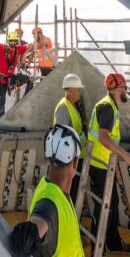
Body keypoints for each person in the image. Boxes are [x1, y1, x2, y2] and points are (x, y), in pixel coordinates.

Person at [8, 124, 96, 257]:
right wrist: (30, 231)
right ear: (75, 164)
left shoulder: (50, 190)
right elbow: (41, 219)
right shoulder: (50, 203)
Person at [87, 72, 130, 257]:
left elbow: (111, 142)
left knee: (112, 205)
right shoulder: (107, 107)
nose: (125, 92)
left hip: (105, 163)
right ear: (116, 90)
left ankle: (114, 243)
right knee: (102, 210)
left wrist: (115, 165)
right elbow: (105, 139)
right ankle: (97, 255)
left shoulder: (111, 106)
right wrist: (125, 156)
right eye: (123, 88)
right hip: (98, 164)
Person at [0, 29, 33, 117]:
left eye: (14, 41)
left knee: (28, 81)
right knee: (1, 103)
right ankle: (0, 120)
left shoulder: (18, 48)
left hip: (11, 78)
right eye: (10, 41)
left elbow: (31, 45)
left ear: (16, 42)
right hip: (1, 80)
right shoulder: (1, 47)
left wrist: (25, 53)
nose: (12, 43)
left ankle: (23, 103)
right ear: (8, 41)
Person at [54, 73, 86, 202]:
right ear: (70, 90)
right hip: (68, 160)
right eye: (78, 90)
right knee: (68, 195)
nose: (80, 93)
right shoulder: (64, 108)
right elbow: (60, 137)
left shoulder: (71, 107)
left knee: (73, 193)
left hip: (74, 157)